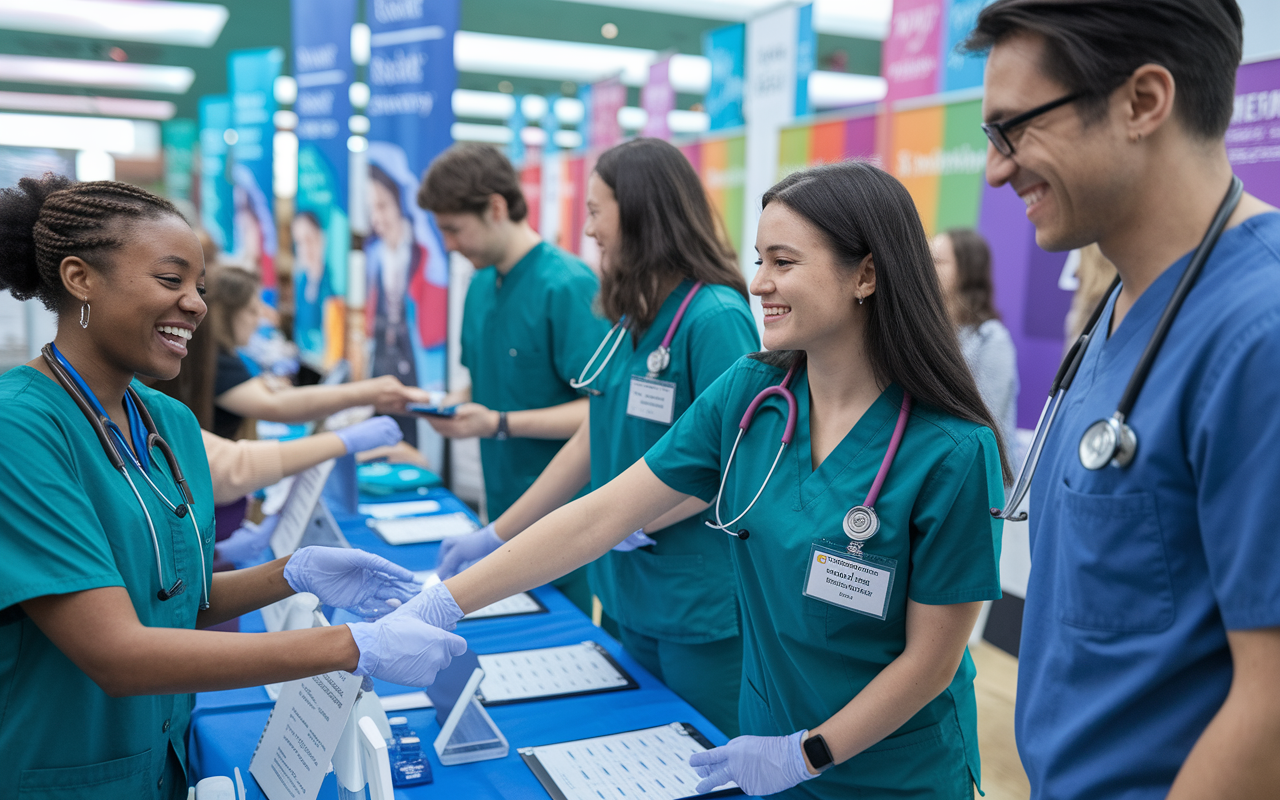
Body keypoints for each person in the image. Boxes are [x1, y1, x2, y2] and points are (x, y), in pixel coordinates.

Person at [421, 161, 1010, 798]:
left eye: (782, 263)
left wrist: (808, 754)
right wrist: (445, 602)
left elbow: (930, 663)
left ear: (865, 273)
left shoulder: (951, 451)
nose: (757, 284)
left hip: (887, 772)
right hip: (765, 742)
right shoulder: (752, 395)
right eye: (759, 260)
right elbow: (601, 512)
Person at [0, 174, 465, 799]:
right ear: (80, 279)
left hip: (160, 762)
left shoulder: (168, 422)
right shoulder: (19, 429)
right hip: (62, 772)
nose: (196, 304)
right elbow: (116, 650)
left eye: (198, 286)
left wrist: (291, 572)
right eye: (171, 281)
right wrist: (349, 644)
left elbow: (169, 600)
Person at [968, 1, 1280, 797]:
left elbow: (1272, 709)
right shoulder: (1118, 309)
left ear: (1143, 102)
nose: (996, 170)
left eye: (1015, 130)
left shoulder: (1260, 335)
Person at [432, 138, 760, 737]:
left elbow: (740, 465)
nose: (587, 231)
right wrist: (498, 533)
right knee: (639, 751)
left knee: (701, 759)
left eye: (595, 211)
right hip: (629, 591)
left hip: (697, 601)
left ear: (638, 212)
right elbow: (592, 438)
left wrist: (635, 519)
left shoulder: (715, 317)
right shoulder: (634, 316)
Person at [415, 143, 610, 614]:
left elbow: (601, 411)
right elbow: (482, 383)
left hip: (566, 525)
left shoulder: (568, 285)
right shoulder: (481, 284)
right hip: (497, 510)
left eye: (454, 229)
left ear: (496, 208)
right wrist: (444, 404)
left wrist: (499, 422)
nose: (448, 245)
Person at [154, 264, 431, 441]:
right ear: (227, 312)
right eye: (252, 311)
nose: (259, 319)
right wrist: (369, 393)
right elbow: (277, 407)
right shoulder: (217, 361)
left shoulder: (222, 356)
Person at [366, 163, 449, 446]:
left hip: (416, 378)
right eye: (371, 209)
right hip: (379, 376)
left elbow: (434, 328)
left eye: (382, 206)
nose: (377, 218)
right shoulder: (373, 257)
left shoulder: (427, 258)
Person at [931, 228, 1018, 455]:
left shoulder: (991, 338)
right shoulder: (929, 333)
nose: (926, 268)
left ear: (966, 271)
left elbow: (988, 422)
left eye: (938, 261)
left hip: (979, 475)